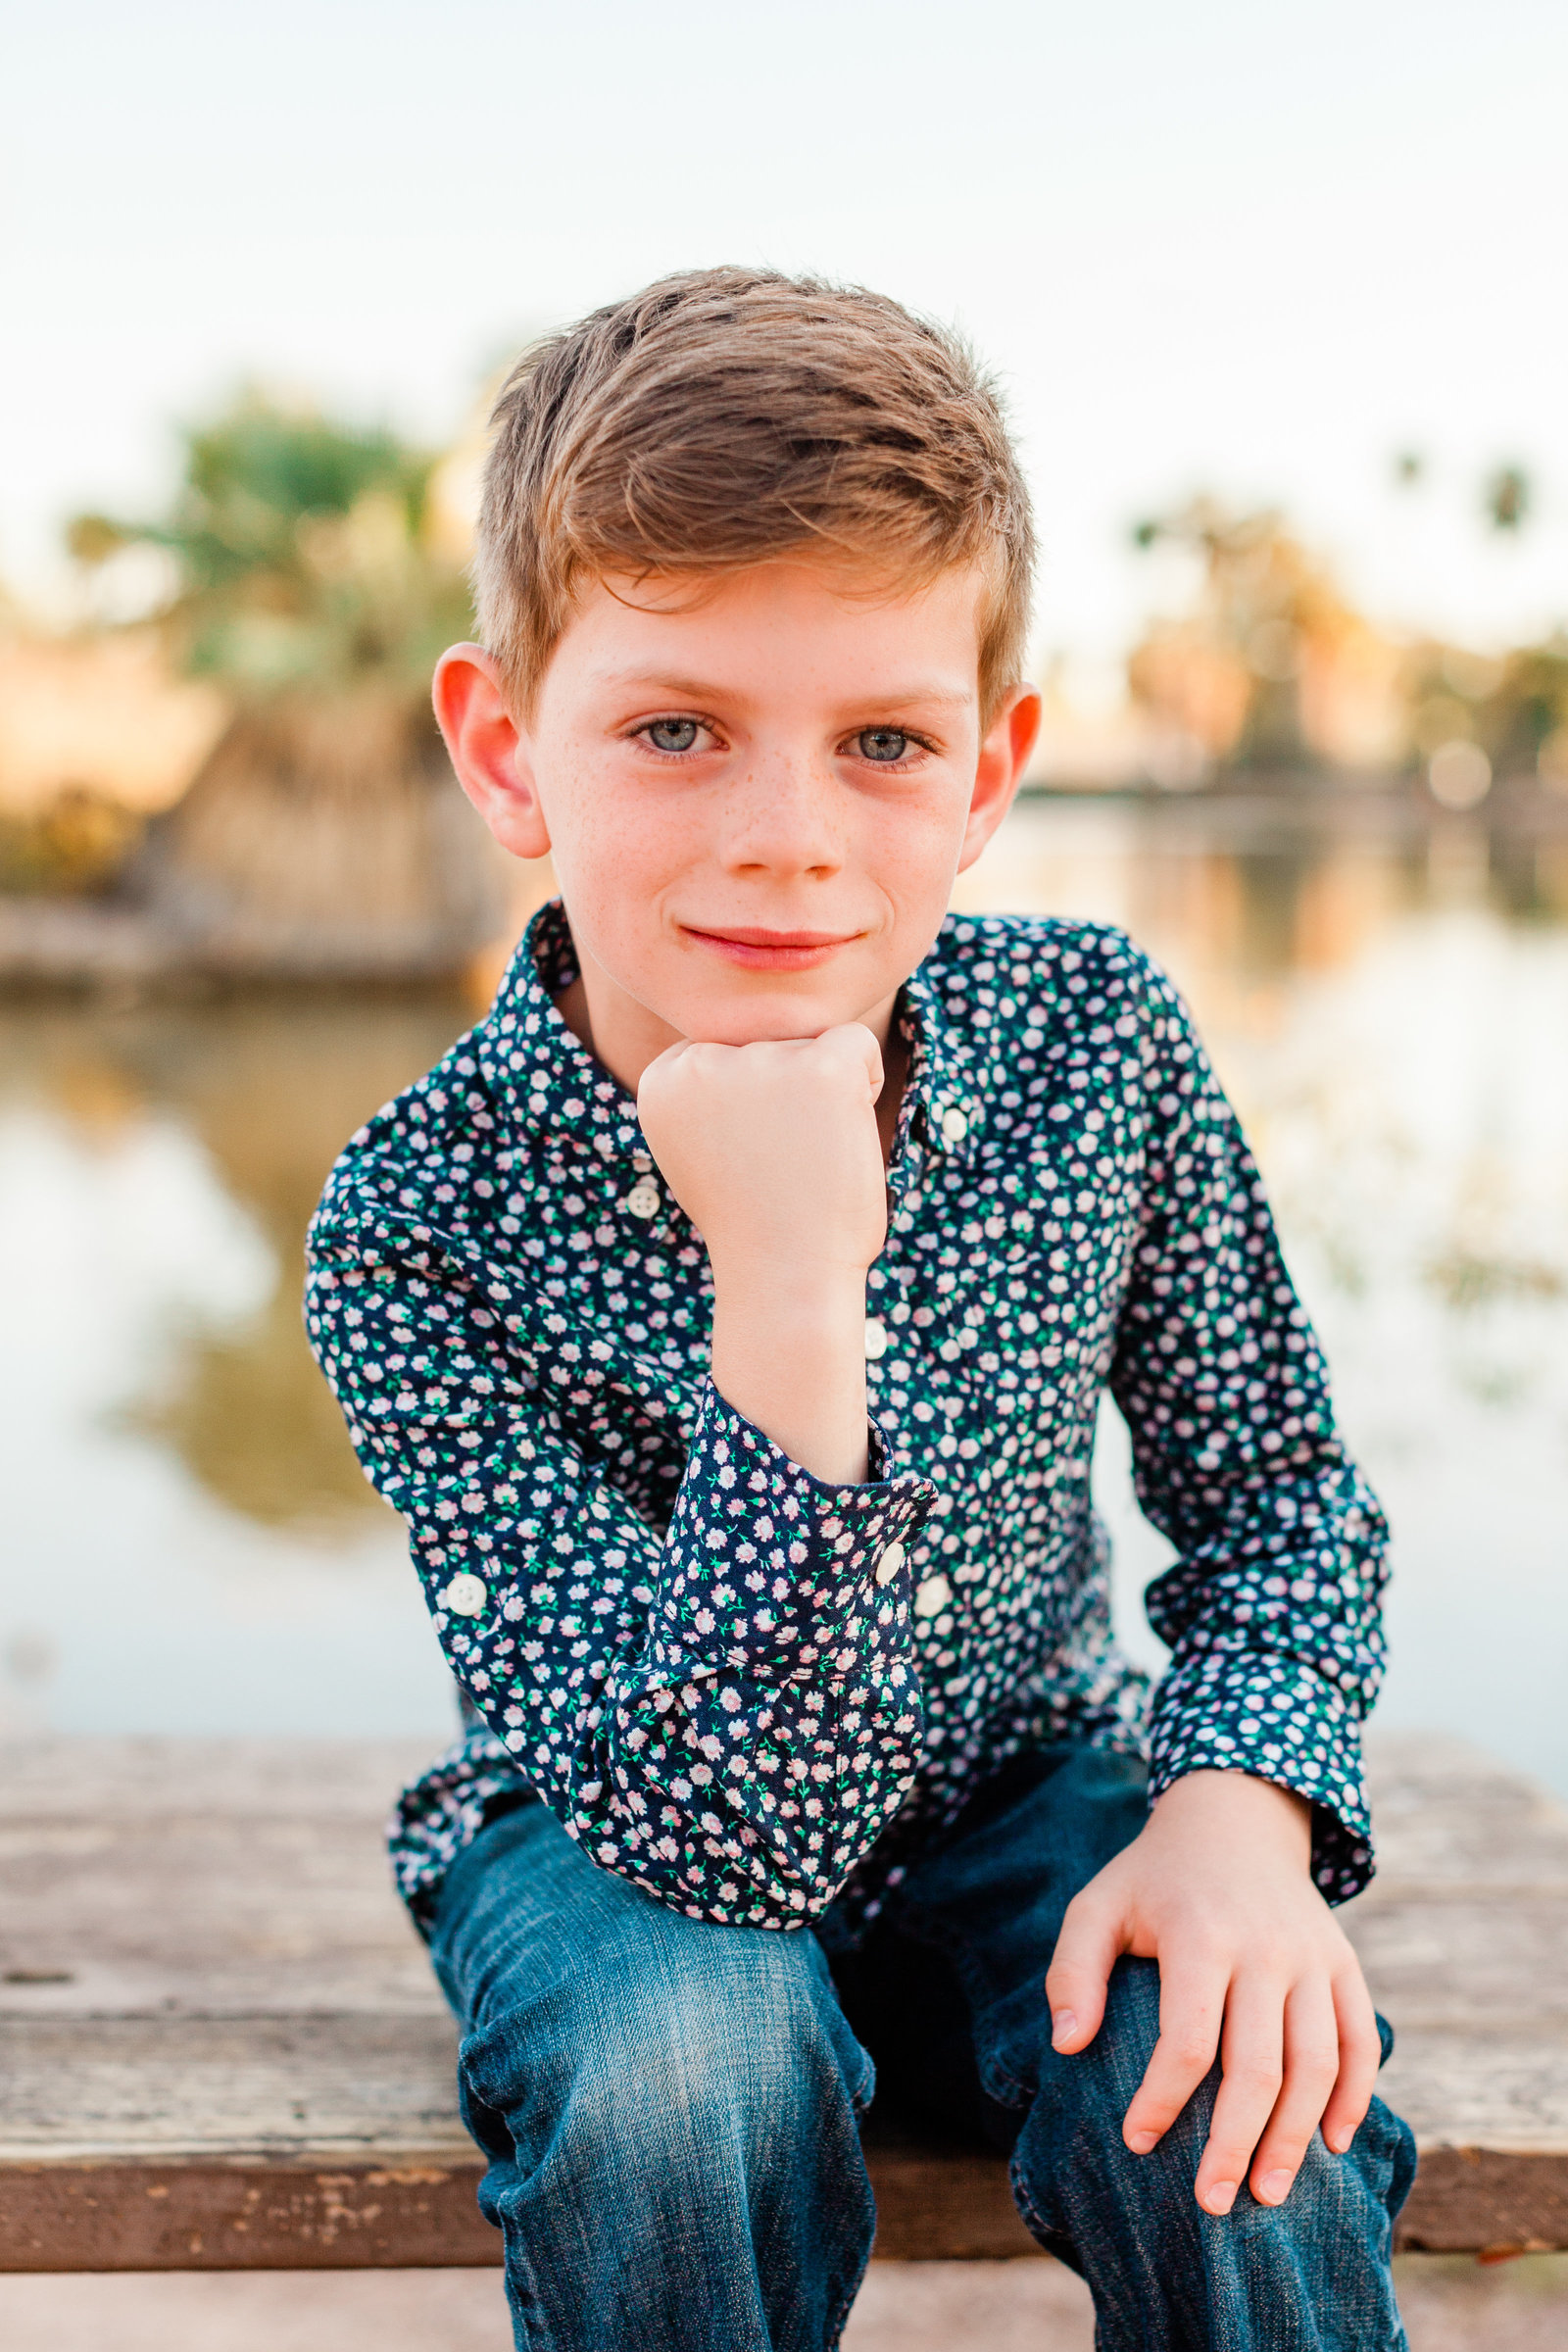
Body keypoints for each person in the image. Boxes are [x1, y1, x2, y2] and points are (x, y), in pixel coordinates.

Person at [305, 268, 1414, 2352]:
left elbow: (1274, 1502)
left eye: (881, 741)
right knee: (674, 2079)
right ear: (504, 748)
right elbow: (726, 1833)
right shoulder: (413, 1223)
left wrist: (1231, 1815)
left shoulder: (1094, 1044)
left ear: (987, 769)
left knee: (1233, 2095)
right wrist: (791, 1288)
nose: (786, 840)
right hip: (616, 1818)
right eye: (671, 730)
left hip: (1036, 1781)